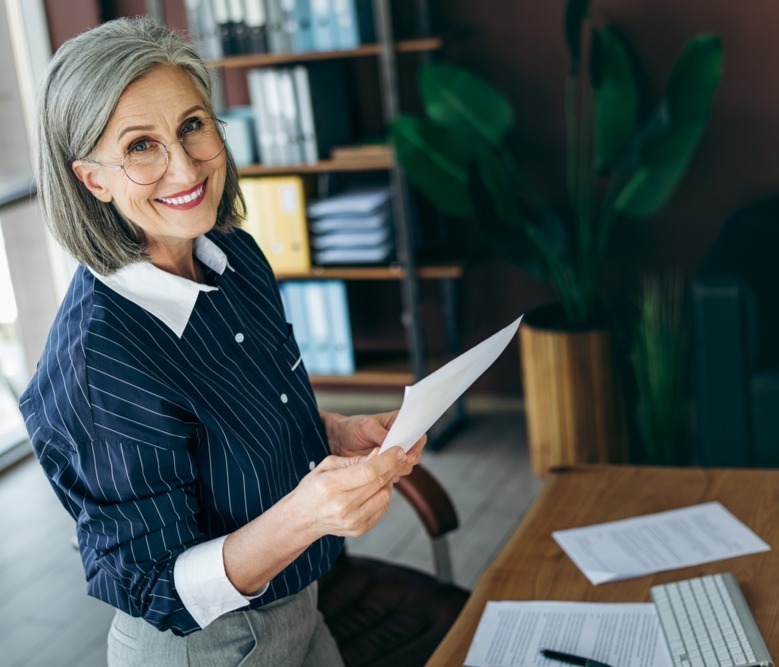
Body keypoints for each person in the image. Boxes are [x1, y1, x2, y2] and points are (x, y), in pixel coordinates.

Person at [20, 16, 424, 666]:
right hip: (208, 647)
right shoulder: (98, 364)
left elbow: (217, 428)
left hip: (301, 603)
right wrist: (308, 514)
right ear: (93, 179)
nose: (184, 166)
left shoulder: (231, 253)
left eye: (192, 125)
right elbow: (160, 587)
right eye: (141, 146)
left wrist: (326, 432)